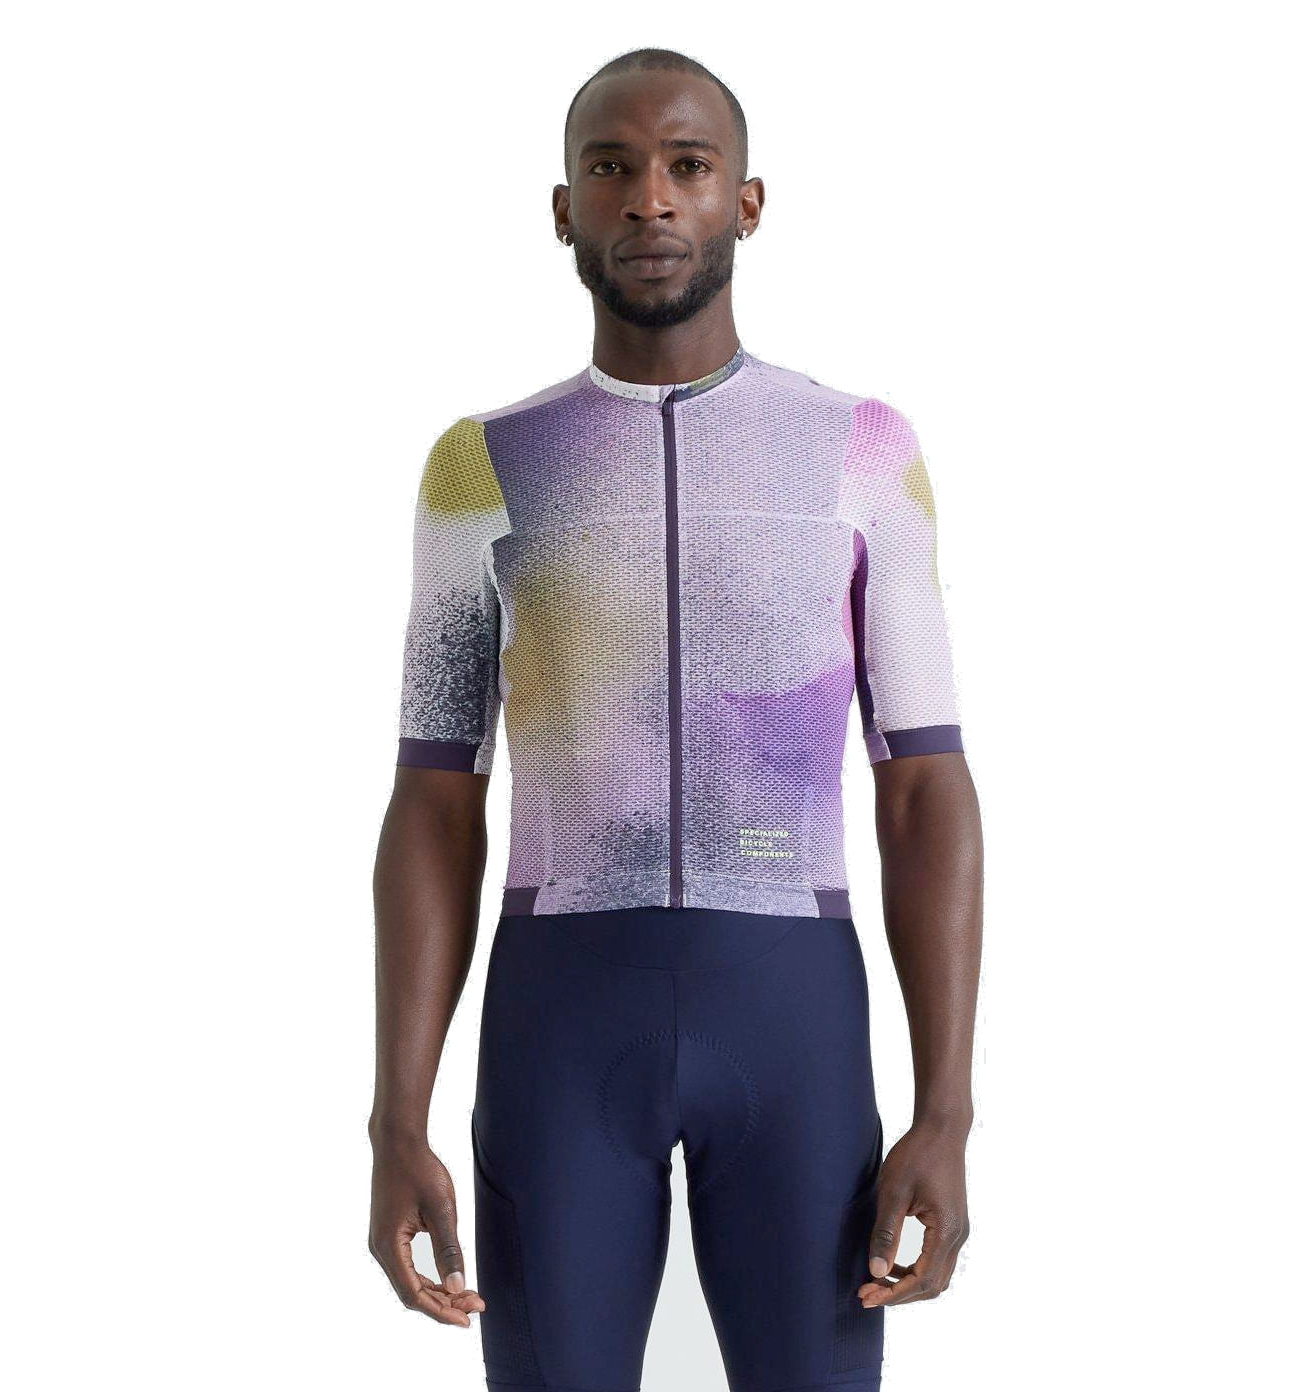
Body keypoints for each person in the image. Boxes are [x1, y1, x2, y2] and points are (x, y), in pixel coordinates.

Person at [368, 47, 984, 1392]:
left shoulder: (861, 449)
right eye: (613, 168)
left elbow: (924, 785)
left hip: (795, 1017)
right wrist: (394, 1120)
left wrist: (946, 1110)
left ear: (746, 202)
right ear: (564, 210)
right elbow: (435, 797)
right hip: (558, 1025)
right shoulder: (481, 465)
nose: (650, 197)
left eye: (688, 166)